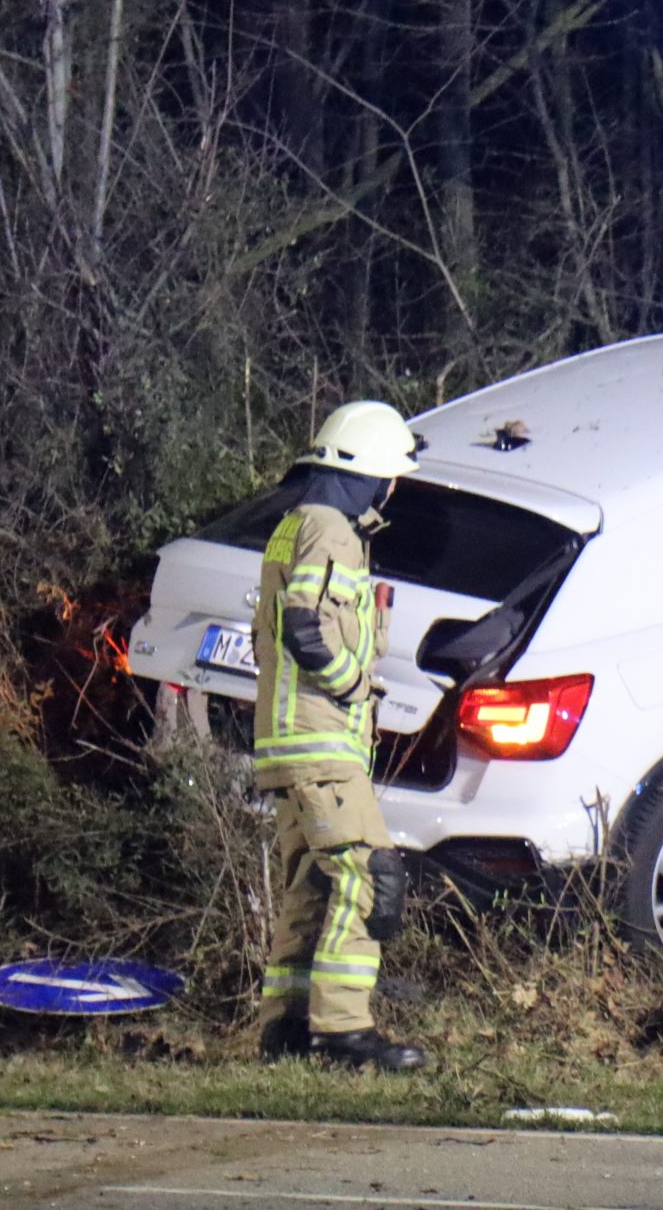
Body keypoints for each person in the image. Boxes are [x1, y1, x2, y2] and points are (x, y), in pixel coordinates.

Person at [250, 399, 430, 1073]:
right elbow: (306, 627)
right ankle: (344, 1031)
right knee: (369, 872)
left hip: (290, 745)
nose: (392, 491)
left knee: (315, 885)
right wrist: (358, 685)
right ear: (376, 474)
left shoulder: (293, 525)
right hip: (320, 742)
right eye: (393, 478)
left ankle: (287, 1031)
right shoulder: (331, 531)